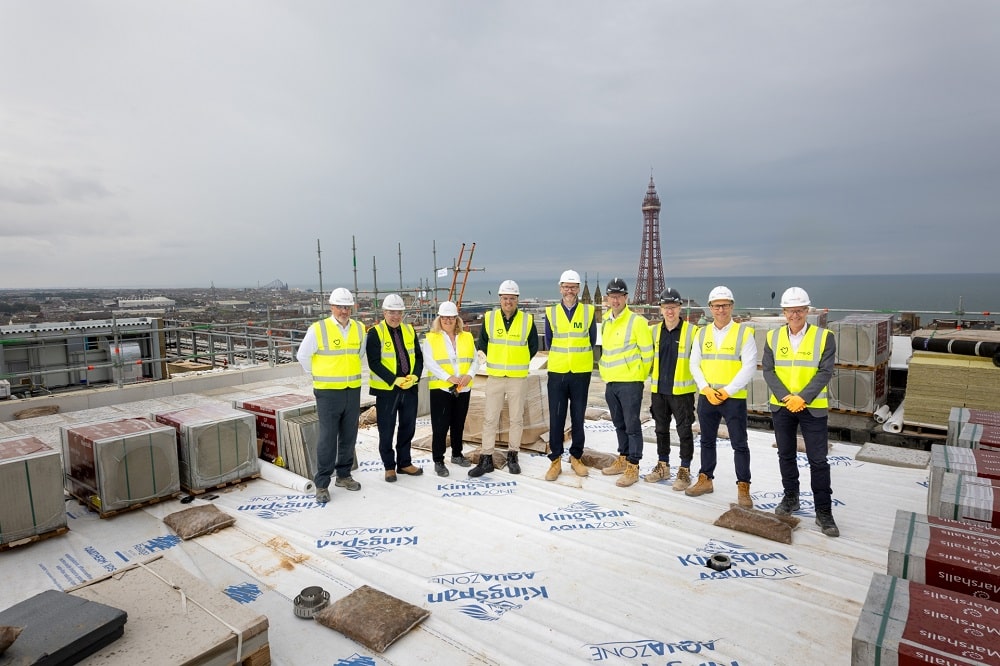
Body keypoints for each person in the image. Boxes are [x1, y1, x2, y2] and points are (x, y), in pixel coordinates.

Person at [762, 287, 840, 537]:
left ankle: (824, 512)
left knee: (818, 461)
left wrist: (803, 398)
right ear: (783, 312)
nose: (795, 315)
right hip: (783, 406)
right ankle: (791, 497)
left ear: (807, 311)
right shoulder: (772, 338)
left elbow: (825, 372)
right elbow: (768, 370)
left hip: (812, 408)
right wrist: (788, 398)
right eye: (790, 310)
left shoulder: (824, 337)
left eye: (799, 310)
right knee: (786, 455)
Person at [686, 286, 757, 507]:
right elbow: (694, 363)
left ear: (731, 307)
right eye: (717, 306)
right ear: (710, 308)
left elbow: (749, 366)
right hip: (708, 396)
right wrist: (705, 388)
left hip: (733, 398)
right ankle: (705, 479)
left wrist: (727, 391)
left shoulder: (744, 333)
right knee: (706, 440)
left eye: (725, 305)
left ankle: (743, 487)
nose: (721, 309)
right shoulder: (702, 333)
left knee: (739, 443)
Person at [296, 287, 366, 503]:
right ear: (331, 307)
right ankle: (322, 483)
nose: (343, 311)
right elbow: (303, 356)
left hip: (352, 390)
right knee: (327, 438)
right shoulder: (319, 329)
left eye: (347, 307)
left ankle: (344, 475)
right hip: (328, 392)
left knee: (348, 435)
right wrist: (318, 375)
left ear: (352, 307)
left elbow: (359, 355)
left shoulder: (360, 328)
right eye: (339, 307)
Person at [469, 280, 538, 477]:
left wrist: (519, 361)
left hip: (517, 377)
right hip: (496, 377)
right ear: (500, 299)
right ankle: (486, 458)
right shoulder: (489, 318)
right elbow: (482, 344)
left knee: (516, 418)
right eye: (505, 298)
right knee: (490, 418)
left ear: (517, 300)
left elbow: (532, 346)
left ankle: (513, 456)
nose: (508, 301)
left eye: (512, 298)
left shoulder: (527, 320)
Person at [598, 278, 653, 487]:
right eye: (612, 296)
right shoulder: (606, 321)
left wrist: (638, 375)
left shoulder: (637, 321)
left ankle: (633, 466)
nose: (615, 300)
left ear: (626, 298)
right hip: (611, 381)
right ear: (607, 298)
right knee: (618, 423)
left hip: (630, 382)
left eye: (619, 296)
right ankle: (622, 457)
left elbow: (648, 353)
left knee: (632, 425)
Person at [543, 270, 596, 481]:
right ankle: (555, 460)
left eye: (573, 287)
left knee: (578, 416)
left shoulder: (588, 311)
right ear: (560, 288)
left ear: (578, 289)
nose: (569, 290)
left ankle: (576, 457)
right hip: (557, 372)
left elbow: (591, 340)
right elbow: (548, 340)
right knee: (556, 418)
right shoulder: (551, 312)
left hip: (581, 373)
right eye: (566, 286)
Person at [366, 293, 423, 483]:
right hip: (387, 391)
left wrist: (415, 375)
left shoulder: (409, 331)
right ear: (384, 312)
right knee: (387, 429)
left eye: (398, 312)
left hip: (409, 389)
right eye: (391, 312)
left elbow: (418, 357)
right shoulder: (375, 333)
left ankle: (404, 463)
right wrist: (394, 379)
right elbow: (374, 363)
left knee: (408, 427)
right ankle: (389, 467)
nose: (395, 316)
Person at [646, 287, 699, 491]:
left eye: (674, 307)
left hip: (682, 393)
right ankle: (663, 465)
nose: (670, 311)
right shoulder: (654, 332)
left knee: (684, 431)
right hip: (659, 390)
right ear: (660, 309)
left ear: (680, 308)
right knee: (660, 429)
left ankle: (684, 470)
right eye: (666, 307)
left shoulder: (692, 332)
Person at [421, 301, 480, 477]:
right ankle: (438, 460)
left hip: (463, 388)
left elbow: (475, 360)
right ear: (439, 319)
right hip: (442, 389)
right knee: (440, 426)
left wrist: (469, 375)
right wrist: (449, 378)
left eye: (451, 317)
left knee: (458, 423)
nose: (448, 320)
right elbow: (430, 363)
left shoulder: (467, 337)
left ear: (456, 319)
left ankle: (456, 454)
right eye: (444, 317)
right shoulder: (431, 338)